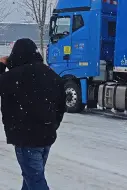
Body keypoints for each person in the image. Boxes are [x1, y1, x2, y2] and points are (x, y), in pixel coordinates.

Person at [0, 38, 66, 190]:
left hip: (25, 138)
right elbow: (61, 106)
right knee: (32, 177)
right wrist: (53, 125)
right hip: (46, 136)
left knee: (35, 181)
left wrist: (2, 65)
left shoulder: (13, 77)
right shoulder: (51, 75)